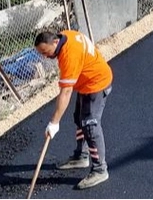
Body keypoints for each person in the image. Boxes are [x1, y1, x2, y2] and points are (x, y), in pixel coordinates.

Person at [34, 29, 113, 190]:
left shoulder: (69, 55)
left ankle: (100, 169)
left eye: (45, 52)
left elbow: (66, 92)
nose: (45, 56)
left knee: (90, 125)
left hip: (96, 84)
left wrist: (54, 123)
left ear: (55, 42)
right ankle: (81, 156)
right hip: (85, 82)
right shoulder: (65, 35)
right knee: (79, 118)